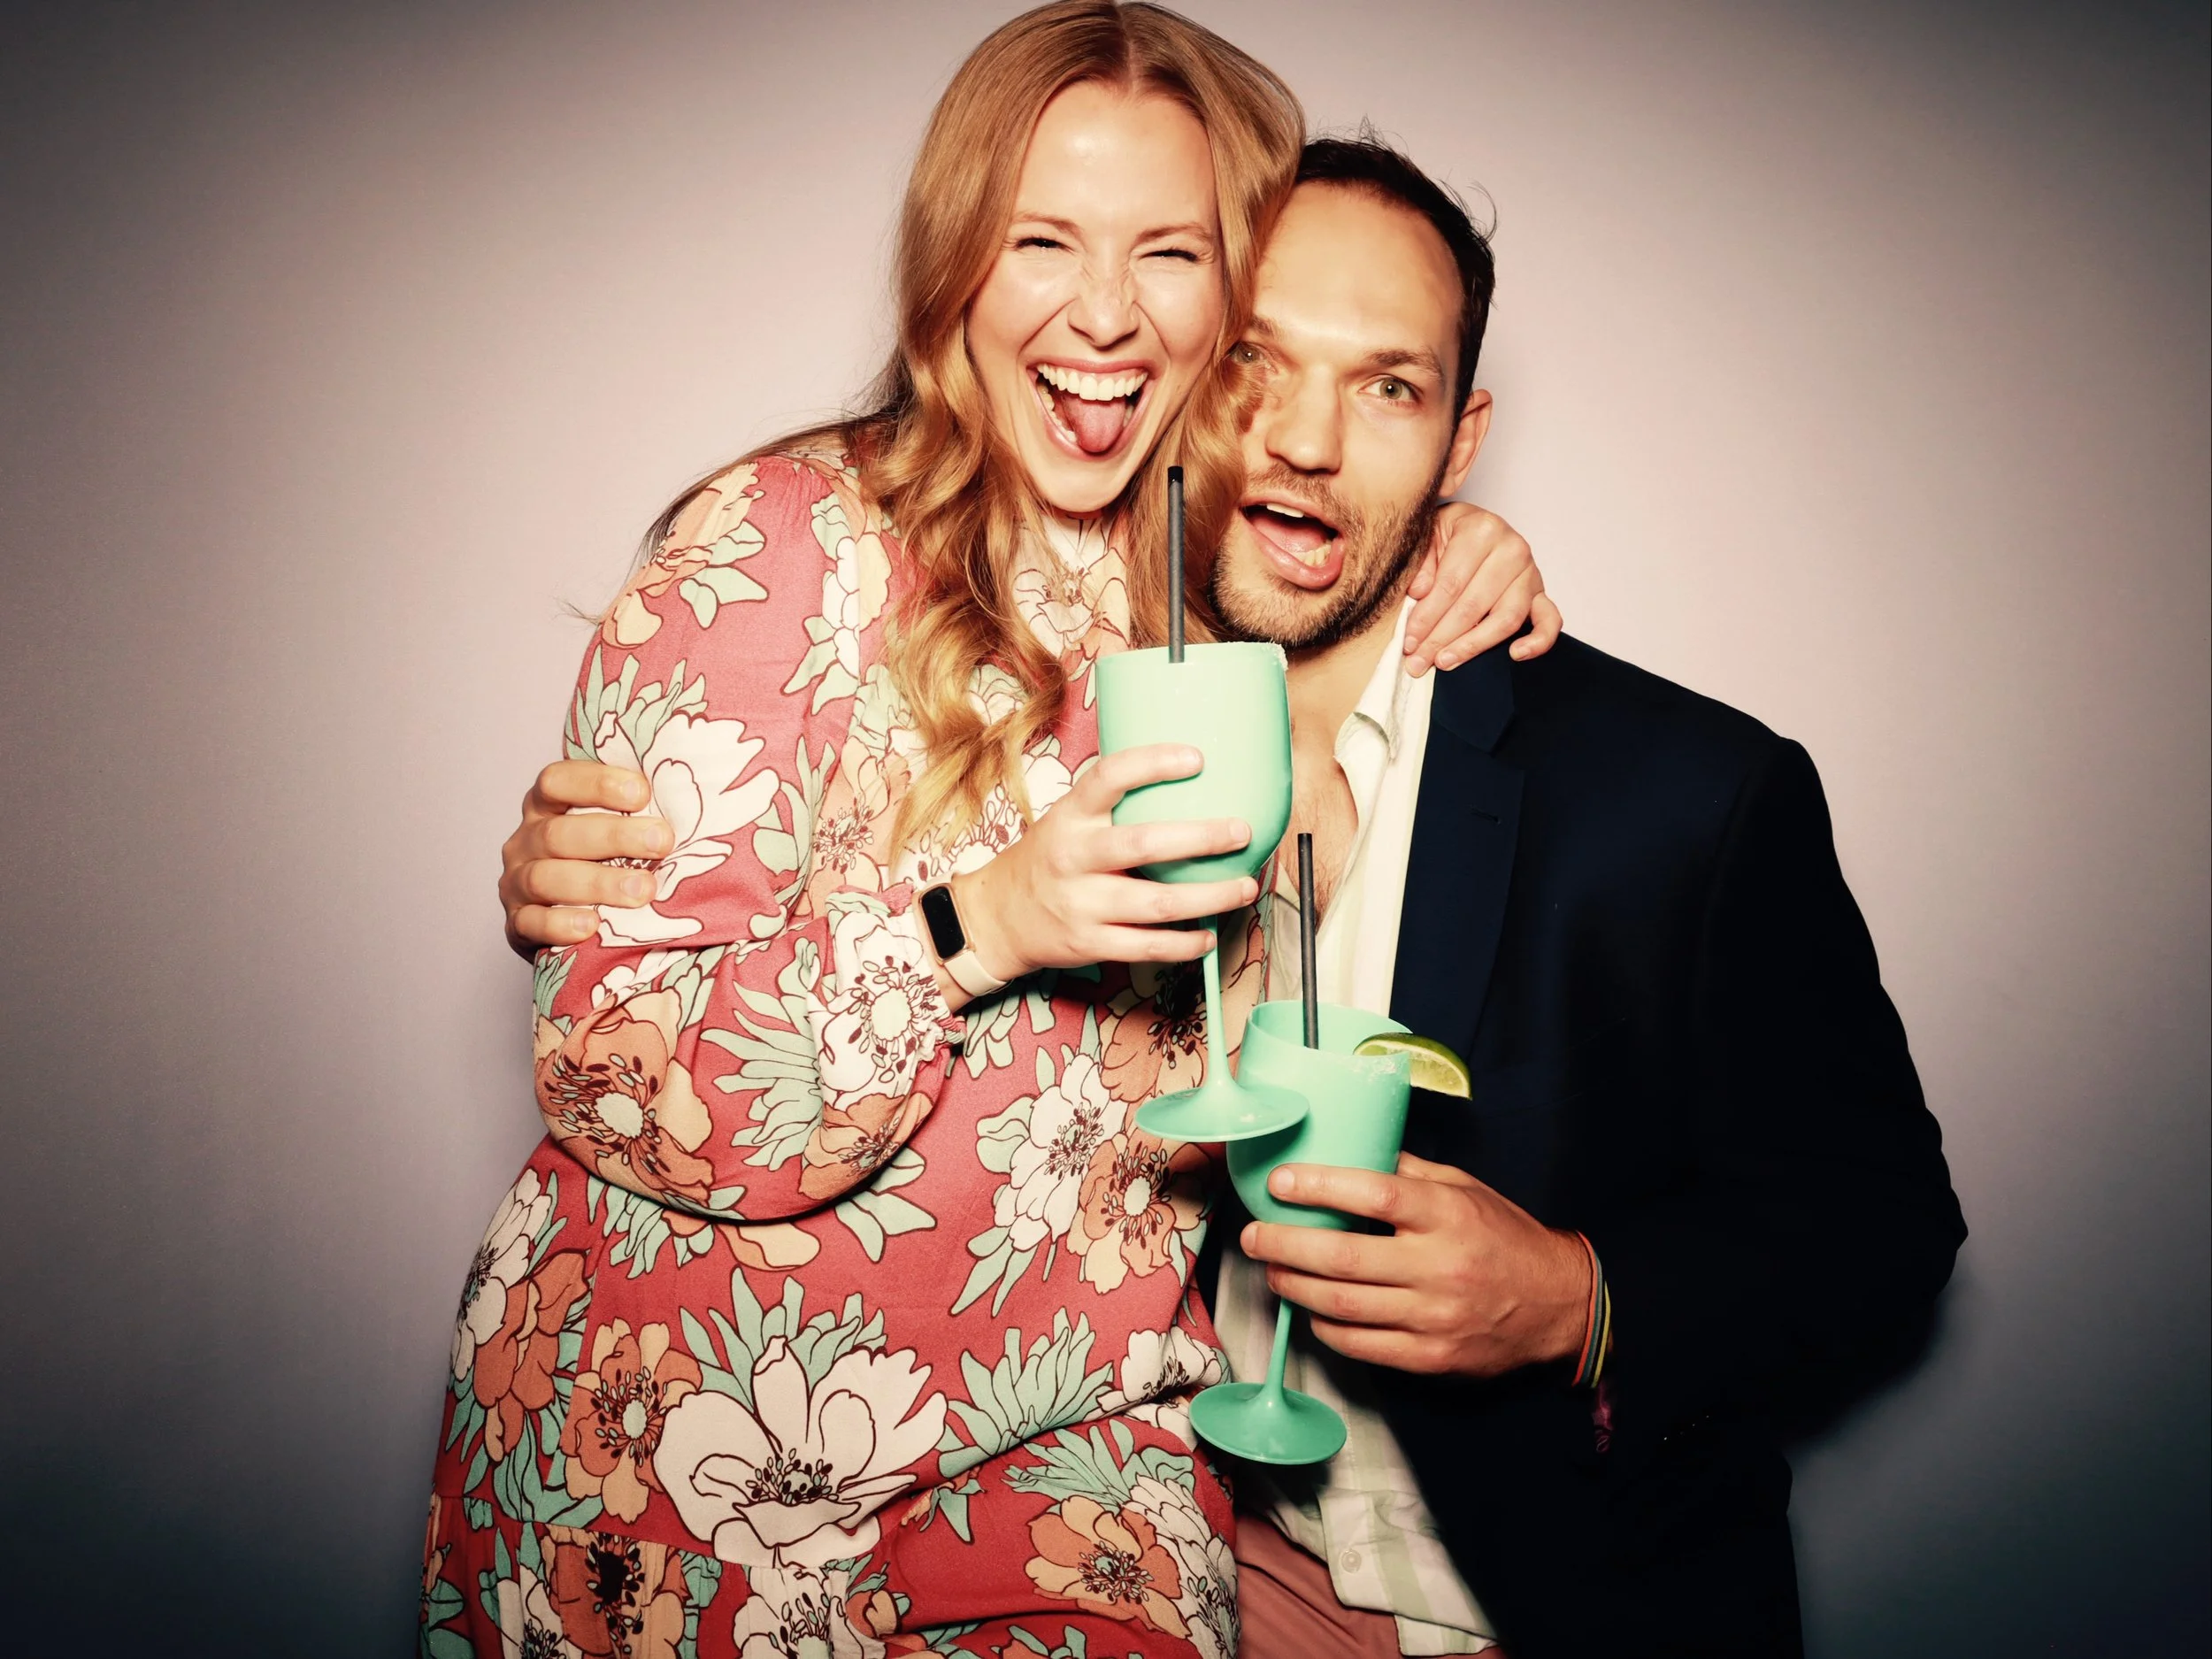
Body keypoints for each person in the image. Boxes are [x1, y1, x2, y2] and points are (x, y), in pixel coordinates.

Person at [510, 133, 1969, 1659]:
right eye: (1259, 365)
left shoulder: (1682, 793)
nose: (1306, 443)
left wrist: (1575, 1297)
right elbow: (759, 923)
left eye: (1387, 388)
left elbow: (1882, 1226)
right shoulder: (1029, 695)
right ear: (1185, 374)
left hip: (1541, 1605)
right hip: (1170, 1563)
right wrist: (598, 875)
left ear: (1461, 439)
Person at [426, 8, 1558, 1658]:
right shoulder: (782, 540)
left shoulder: (1220, 591)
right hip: (676, 1451)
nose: (1105, 313)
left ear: (1231, 293)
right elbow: (607, 1059)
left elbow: (1355, 508)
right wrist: (982, 921)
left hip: (1067, 1440)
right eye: (1045, 239)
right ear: (959, 258)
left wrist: (1476, 543)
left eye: (1170, 252)